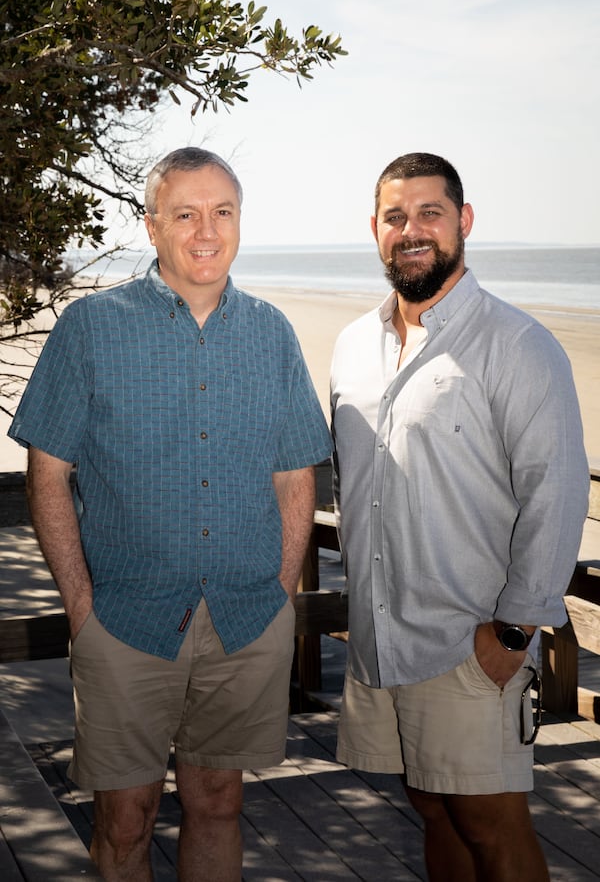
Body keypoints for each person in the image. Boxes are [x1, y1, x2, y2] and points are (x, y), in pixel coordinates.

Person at [8, 147, 331, 881]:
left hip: (247, 621)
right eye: (185, 213)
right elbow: (48, 476)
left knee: (219, 803)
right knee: (126, 818)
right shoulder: (90, 328)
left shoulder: (272, 332)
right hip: (124, 622)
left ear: (240, 221)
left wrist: (280, 594)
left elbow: (295, 476)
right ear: (151, 225)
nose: (206, 230)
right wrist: (80, 604)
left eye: (222, 212)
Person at [330, 152, 589, 881]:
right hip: (382, 635)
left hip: (469, 641)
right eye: (395, 216)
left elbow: (559, 489)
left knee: (491, 826)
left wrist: (513, 628)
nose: (412, 230)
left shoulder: (517, 344)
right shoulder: (353, 347)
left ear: (463, 222)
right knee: (430, 806)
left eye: (430, 213)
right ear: (375, 230)